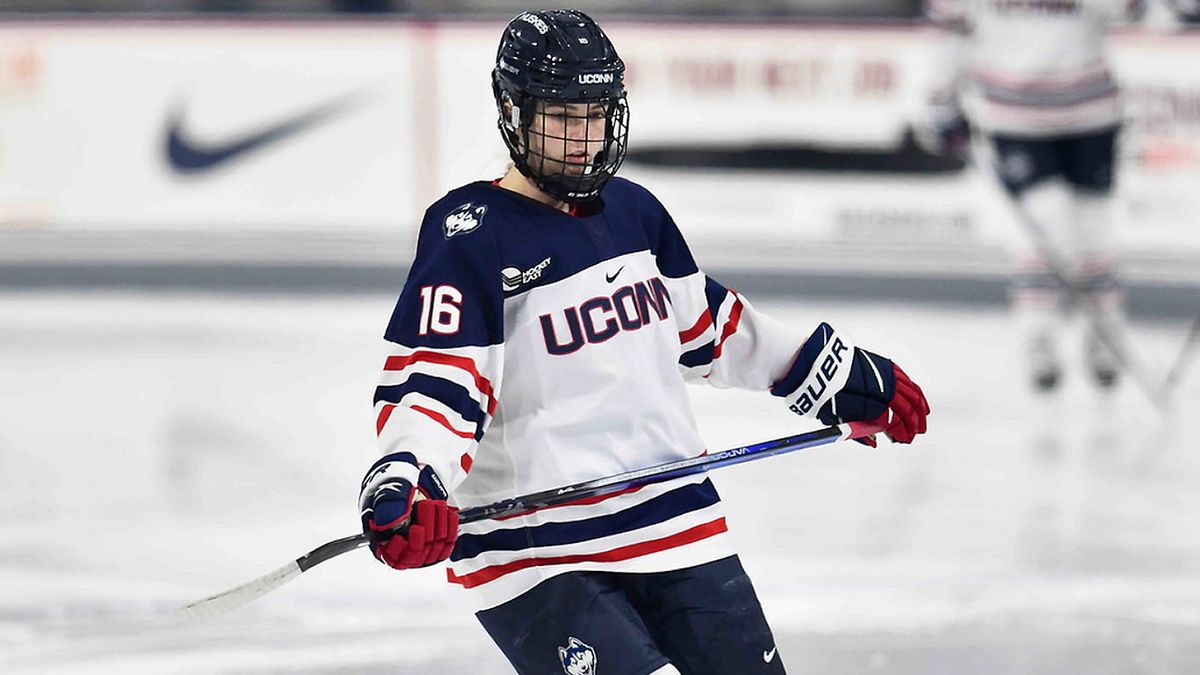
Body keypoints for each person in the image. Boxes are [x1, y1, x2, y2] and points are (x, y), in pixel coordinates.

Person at [357, 10, 930, 674]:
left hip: (675, 523)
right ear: (513, 110)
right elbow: (436, 386)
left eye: (596, 113)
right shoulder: (471, 233)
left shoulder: (635, 213)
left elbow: (714, 330)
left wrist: (836, 376)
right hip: (537, 549)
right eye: (562, 116)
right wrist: (405, 478)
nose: (584, 137)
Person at [918, 0, 1147, 391]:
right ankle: (1038, 338)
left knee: (1093, 231)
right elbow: (950, 29)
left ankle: (1105, 334)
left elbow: (1130, 10)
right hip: (1015, 116)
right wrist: (941, 98)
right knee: (1047, 224)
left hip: (1091, 114)